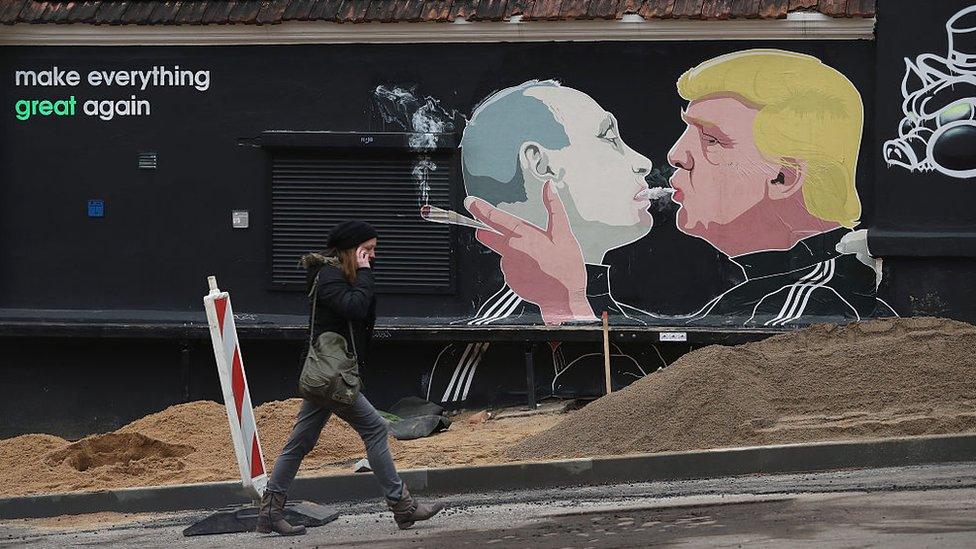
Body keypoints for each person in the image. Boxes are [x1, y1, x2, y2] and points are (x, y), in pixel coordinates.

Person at [466, 50, 896, 327]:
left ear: (783, 178)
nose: (671, 155)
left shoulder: (810, 303)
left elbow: (694, 400)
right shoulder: (767, 286)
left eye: (710, 139)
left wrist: (570, 301)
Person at [257, 220, 443, 536]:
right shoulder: (329, 276)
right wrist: (365, 273)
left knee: (299, 442)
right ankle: (403, 506)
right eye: (367, 250)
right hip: (332, 377)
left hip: (332, 374)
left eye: (373, 251)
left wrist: (362, 274)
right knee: (374, 428)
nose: (372, 256)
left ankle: (269, 513)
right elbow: (355, 308)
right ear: (351, 250)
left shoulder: (341, 277)